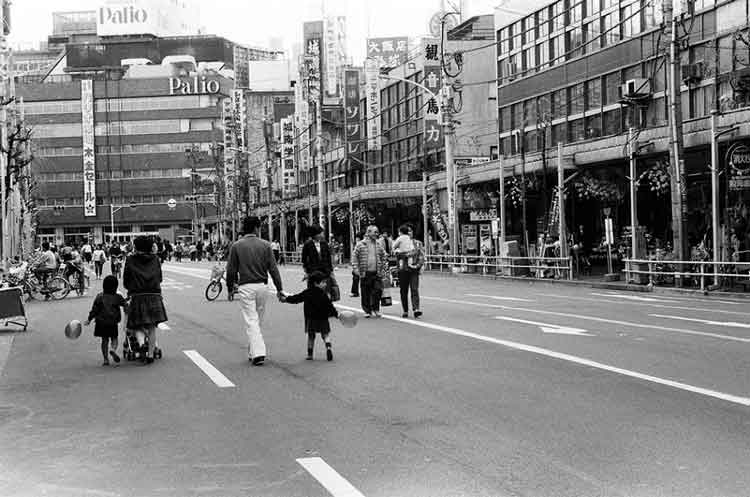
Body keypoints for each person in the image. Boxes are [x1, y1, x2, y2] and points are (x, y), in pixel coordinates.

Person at [226, 216, 285, 366]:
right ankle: (253, 352)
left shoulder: (236, 246)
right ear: (256, 228)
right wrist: (279, 289)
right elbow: (273, 269)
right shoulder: (265, 245)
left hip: (245, 286)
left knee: (251, 320)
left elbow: (231, 270)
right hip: (262, 286)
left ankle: (258, 353)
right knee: (257, 320)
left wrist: (229, 288)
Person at [123, 236, 168, 365]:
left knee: (136, 324)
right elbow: (159, 278)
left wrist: (131, 287)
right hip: (154, 295)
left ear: (136, 247)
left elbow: (126, 279)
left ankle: (142, 344)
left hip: (137, 295)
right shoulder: (155, 259)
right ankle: (150, 354)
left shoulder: (131, 259)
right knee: (152, 326)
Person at [281, 270, 339, 361]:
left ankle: (310, 354)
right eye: (323, 282)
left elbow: (297, 298)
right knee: (325, 334)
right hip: (323, 318)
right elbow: (329, 307)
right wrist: (336, 314)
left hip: (311, 318)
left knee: (311, 336)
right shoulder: (324, 294)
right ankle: (328, 347)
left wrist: (286, 299)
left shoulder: (307, 292)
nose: (325, 284)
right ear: (316, 283)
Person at [85, 275, 126, 366]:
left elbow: (94, 310)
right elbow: (125, 304)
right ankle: (113, 349)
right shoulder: (117, 297)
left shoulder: (99, 296)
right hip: (112, 322)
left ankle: (105, 359)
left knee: (104, 340)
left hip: (101, 322)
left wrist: (89, 319)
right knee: (114, 338)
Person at [352, 225, 388, 318]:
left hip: (377, 272)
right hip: (365, 272)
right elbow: (354, 257)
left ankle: (376, 309)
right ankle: (367, 310)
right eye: (375, 232)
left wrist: (383, 266)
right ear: (368, 233)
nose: (377, 234)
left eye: (377, 232)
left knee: (377, 291)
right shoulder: (360, 244)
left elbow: (384, 255)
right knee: (365, 292)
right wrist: (355, 268)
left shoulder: (378, 244)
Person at [397, 225, 424, 318]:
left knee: (414, 289)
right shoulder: (399, 243)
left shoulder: (418, 243)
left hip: (414, 270)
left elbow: (421, 256)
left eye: (410, 231)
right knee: (403, 290)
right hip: (403, 270)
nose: (409, 233)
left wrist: (417, 266)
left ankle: (416, 309)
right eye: (407, 231)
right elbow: (395, 254)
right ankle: (405, 310)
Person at [301, 225, 335, 293]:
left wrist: (331, 271)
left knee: (325, 292)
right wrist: (307, 271)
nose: (322, 234)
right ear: (315, 234)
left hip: (325, 271)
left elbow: (328, 258)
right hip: (313, 273)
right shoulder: (307, 244)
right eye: (320, 233)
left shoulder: (324, 243)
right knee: (313, 292)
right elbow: (304, 259)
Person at [350, 232, 364, 297]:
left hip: (359, 264)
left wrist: (354, 265)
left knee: (356, 278)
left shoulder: (358, 244)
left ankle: (355, 292)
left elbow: (354, 255)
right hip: (363, 264)